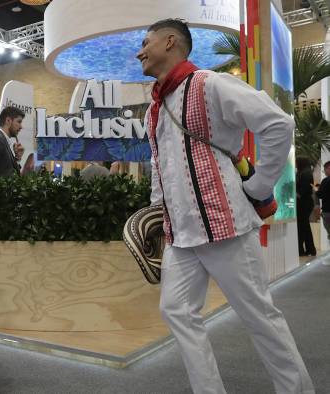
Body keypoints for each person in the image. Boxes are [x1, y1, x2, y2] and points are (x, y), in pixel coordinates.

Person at [138, 19, 314, 393]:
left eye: (146, 42)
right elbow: (160, 164)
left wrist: (260, 184)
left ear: (170, 42)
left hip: (226, 228)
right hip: (180, 236)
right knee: (176, 312)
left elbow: (277, 124)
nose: (140, 51)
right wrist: (156, 213)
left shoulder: (210, 84)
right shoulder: (153, 109)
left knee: (259, 317)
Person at [296, 157, 316, 257]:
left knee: (302, 227)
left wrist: (294, 193)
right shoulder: (304, 172)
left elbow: (302, 191)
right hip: (305, 203)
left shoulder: (305, 173)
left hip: (304, 203)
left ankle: (302, 250)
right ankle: (310, 250)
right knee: (305, 226)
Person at [317, 161, 330, 266]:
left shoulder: (326, 181)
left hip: (328, 211)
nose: (324, 172)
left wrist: (316, 190)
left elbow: (320, 194)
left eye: (325, 169)